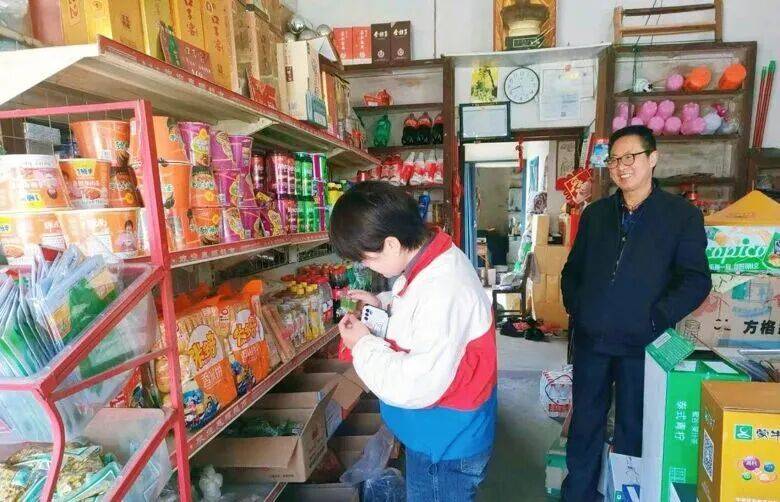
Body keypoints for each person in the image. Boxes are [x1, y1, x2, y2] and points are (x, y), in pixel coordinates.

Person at [560, 125, 712, 501]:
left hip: (642, 344)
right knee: (585, 426)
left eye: (630, 157)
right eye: (614, 160)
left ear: (652, 158)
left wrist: (655, 318)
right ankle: (577, 494)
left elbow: (696, 280)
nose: (621, 166)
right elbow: (572, 271)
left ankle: (625, 494)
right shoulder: (596, 215)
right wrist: (579, 308)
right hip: (593, 341)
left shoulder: (680, 216)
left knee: (633, 428)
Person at [330, 181, 497, 502]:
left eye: (367, 259)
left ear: (392, 244)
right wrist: (382, 306)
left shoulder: (443, 287)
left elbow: (416, 385)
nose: (365, 266)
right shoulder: (428, 258)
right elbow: (417, 312)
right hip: (439, 433)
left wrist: (362, 344)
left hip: (445, 445)